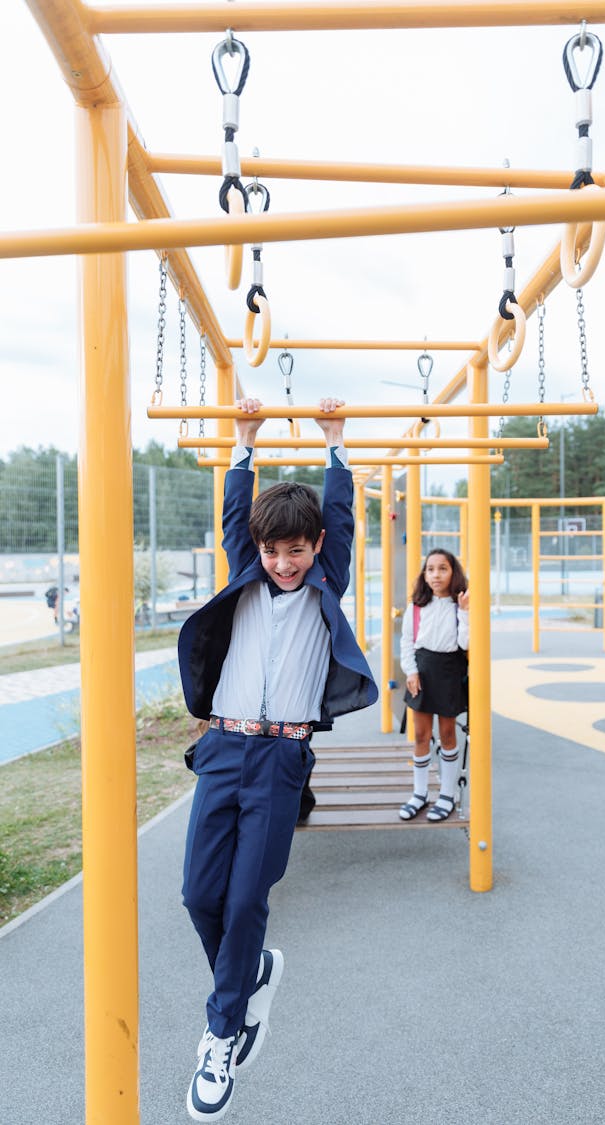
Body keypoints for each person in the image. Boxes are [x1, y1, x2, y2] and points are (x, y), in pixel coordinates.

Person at [177, 395, 377, 1121]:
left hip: (282, 760)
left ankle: (221, 1033)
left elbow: (342, 517)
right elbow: (237, 516)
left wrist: (335, 444)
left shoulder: (327, 580)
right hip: (224, 748)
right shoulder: (246, 578)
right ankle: (250, 972)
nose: (284, 560)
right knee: (200, 896)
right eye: (273, 550)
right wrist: (243, 444)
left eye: (296, 548)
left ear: (315, 546)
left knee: (244, 899)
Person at [398, 549, 469, 823]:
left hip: (449, 670)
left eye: (443, 569)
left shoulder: (459, 606)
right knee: (420, 734)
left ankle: (447, 795)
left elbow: (465, 644)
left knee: (448, 733)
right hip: (422, 670)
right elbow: (407, 642)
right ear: (424, 575)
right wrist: (411, 672)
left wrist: (464, 613)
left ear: (453, 573)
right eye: (430, 569)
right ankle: (419, 793)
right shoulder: (416, 607)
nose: (436, 575)